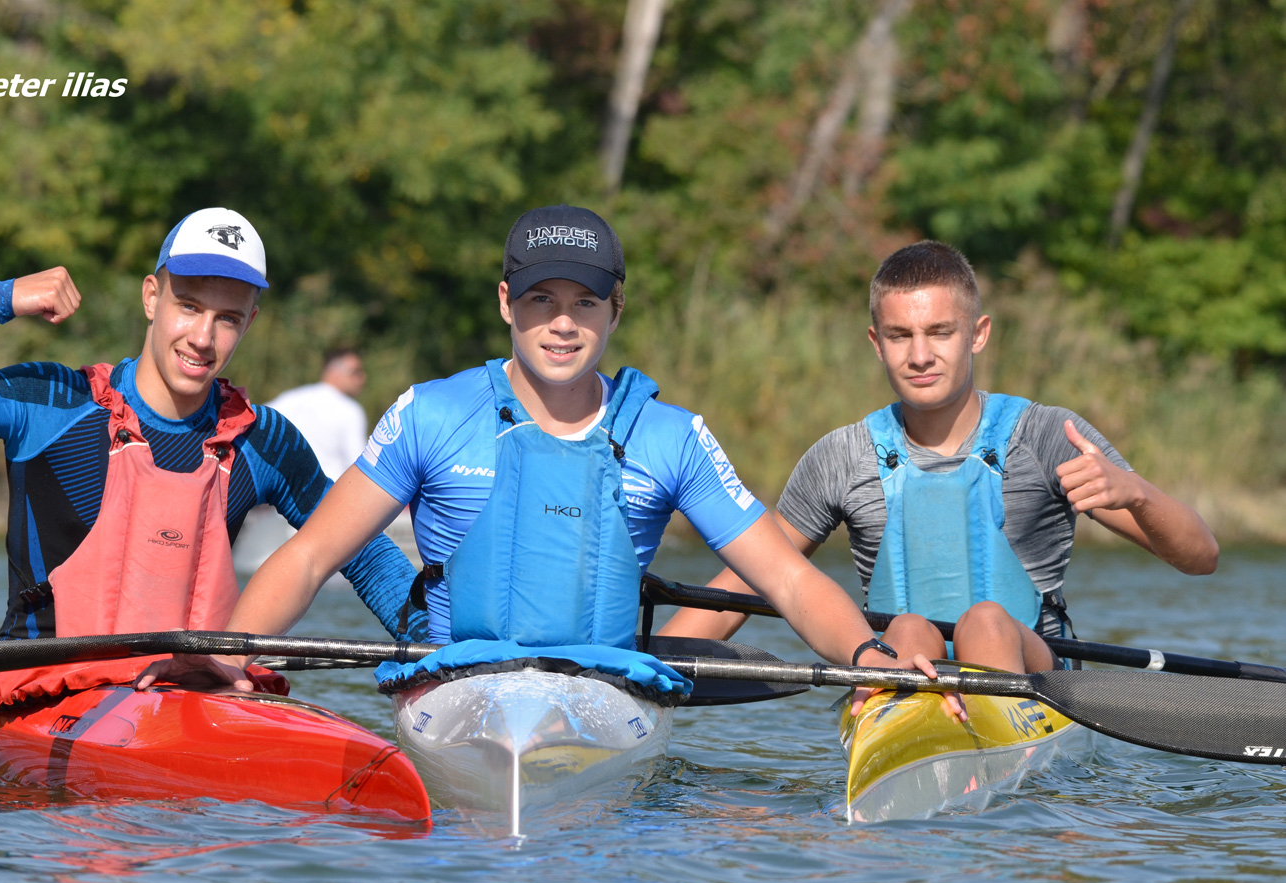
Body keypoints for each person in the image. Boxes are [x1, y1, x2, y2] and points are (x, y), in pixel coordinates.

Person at [140, 204, 928, 694]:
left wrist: (866, 652)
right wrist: (228, 656)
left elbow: (789, 579)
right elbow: (312, 557)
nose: (562, 323)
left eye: (585, 302)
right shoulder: (432, 413)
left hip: (605, 693)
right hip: (455, 689)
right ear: (505, 303)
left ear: (616, 311)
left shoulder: (670, 436)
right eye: (541, 300)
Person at [0, 208, 422, 712]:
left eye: (227, 318)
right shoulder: (55, 403)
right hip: (42, 698)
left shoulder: (262, 440)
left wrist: (436, 658)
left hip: (190, 699)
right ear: (152, 297)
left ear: (249, 323)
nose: (203, 337)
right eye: (189, 306)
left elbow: (362, 552)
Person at [659, 240, 1218, 716]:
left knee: (985, 622)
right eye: (900, 336)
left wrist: (1139, 495)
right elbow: (750, 581)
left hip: (1036, 673)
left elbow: (1200, 557)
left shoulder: (1050, 437)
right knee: (907, 628)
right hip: (904, 663)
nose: (920, 355)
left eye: (940, 332)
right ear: (876, 342)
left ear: (977, 334)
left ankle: (998, 747)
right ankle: (907, 722)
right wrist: (644, 673)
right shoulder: (842, 457)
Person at [265, 347, 369, 480]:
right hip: (329, 492)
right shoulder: (351, 410)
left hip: (288, 491)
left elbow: (261, 424)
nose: (362, 378)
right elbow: (359, 464)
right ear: (334, 371)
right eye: (356, 372)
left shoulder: (293, 398)